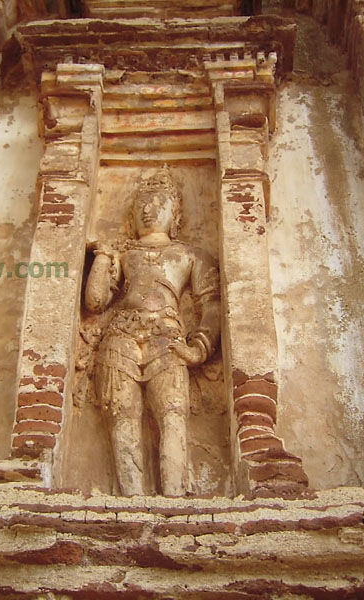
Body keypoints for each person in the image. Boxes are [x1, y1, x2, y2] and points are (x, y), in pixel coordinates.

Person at [84, 168, 220, 496]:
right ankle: (130, 502)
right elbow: (95, 301)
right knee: (122, 415)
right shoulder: (123, 253)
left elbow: (213, 306)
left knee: (172, 415)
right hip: (121, 336)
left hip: (167, 337)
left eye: (158, 201)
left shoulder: (190, 255)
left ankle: (174, 501)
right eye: (143, 201)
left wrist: (199, 347)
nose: (148, 208)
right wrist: (103, 256)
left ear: (175, 213)